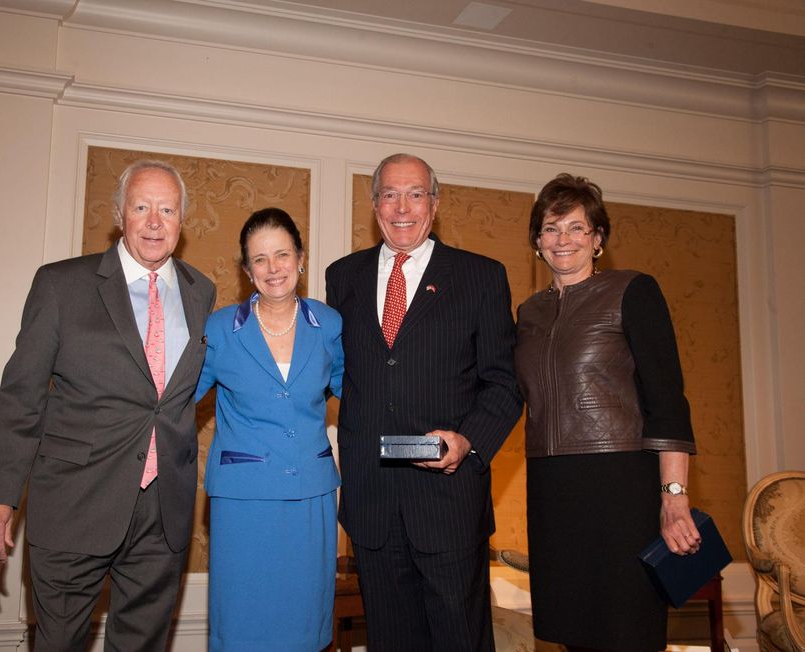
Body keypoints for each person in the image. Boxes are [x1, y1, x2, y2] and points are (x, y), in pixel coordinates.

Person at [0, 159, 216, 651]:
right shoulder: (62, 285)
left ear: (182, 220)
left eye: (167, 209)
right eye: (141, 207)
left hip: (162, 511)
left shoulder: (200, 291)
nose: (154, 221)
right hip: (74, 503)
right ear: (119, 214)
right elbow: (20, 394)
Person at [325, 153, 523, 651]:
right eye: (389, 194)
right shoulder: (341, 277)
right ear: (374, 205)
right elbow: (337, 374)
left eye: (415, 193)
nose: (402, 207)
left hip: (448, 503)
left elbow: (505, 382)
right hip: (371, 506)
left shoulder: (480, 277)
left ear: (435, 204)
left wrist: (468, 441)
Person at [514, 173, 700, 652]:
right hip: (552, 487)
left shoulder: (633, 290)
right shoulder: (527, 313)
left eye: (577, 228)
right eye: (552, 229)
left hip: (621, 484)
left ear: (598, 239)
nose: (564, 240)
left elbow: (667, 401)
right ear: (537, 241)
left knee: (627, 629)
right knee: (572, 629)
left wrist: (673, 497)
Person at [196, 207, 344, 652]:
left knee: (304, 625)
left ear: (301, 257)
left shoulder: (329, 324)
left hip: (310, 497)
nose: (273, 268)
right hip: (243, 500)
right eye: (259, 259)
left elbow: (360, 395)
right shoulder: (220, 328)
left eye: (282, 254)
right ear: (246, 270)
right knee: (244, 622)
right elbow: (176, 400)